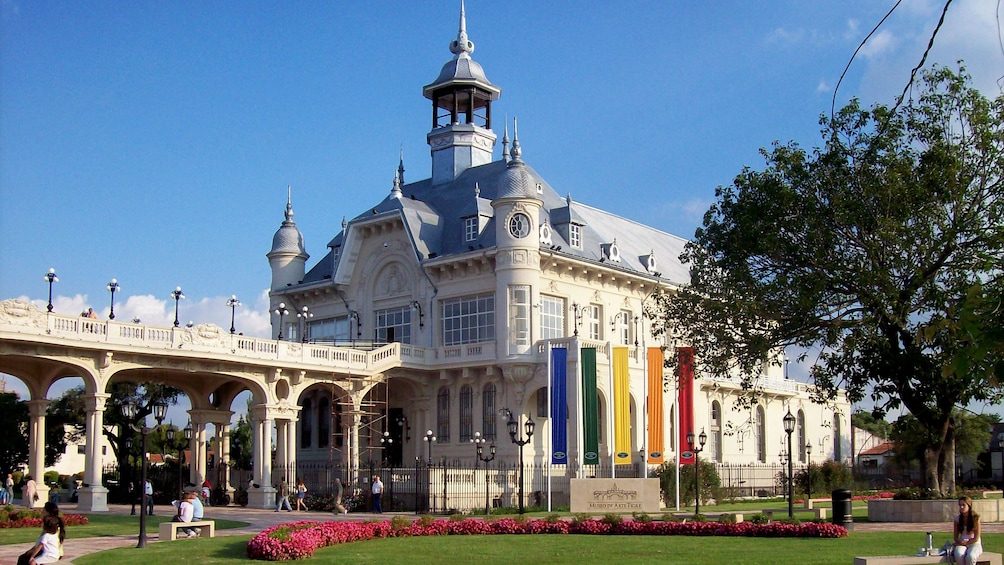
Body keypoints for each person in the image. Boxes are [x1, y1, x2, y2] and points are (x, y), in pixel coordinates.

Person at [953, 496, 982, 565]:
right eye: (960, 505)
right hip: (962, 543)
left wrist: (967, 542)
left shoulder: (975, 519)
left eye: (963, 505)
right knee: (958, 554)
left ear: (969, 505)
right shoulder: (957, 519)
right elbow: (955, 537)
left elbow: (976, 538)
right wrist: (960, 541)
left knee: (970, 557)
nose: (961, 507)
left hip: (974, 543)